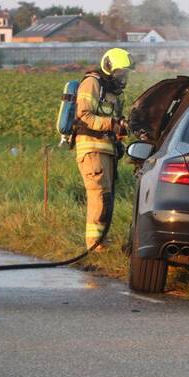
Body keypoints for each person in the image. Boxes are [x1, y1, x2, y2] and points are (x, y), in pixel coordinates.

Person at [75, 48, 131, 252]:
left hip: (107, 150)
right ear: (109, 68)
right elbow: (84, 116)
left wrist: (121, 133)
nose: (123, 78)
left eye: (125, 74)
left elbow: (116, 122)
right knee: (99, 195)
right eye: (120, 73)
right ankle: (94, 244)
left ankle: (101, 241)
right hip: (91, 148)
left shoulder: (114, 93)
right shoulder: (92, 84)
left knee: (107, 197)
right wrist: (112, 124)